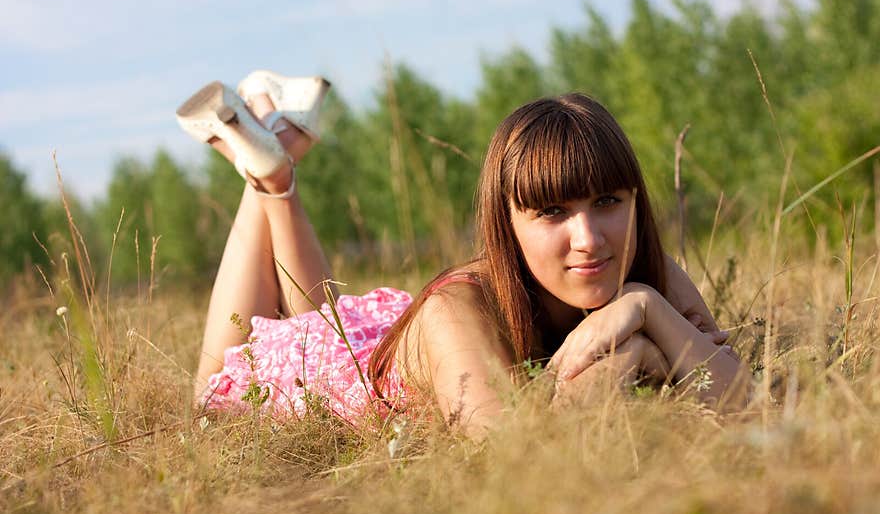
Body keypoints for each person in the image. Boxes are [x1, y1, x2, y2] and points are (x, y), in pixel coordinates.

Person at [177, 71, 748, 438]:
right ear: (507, 222)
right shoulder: (456, 312)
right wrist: (636, 356)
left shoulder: (637, 271)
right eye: (551, 211)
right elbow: (516, 459)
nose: (589, 238)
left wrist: (644, 307)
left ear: (633, 199)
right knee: (212, 392)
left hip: (376, 337)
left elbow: (745, 398)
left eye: (607, 201)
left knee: (322, 314)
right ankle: (270, 174)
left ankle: (274, 155)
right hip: (314, 372)